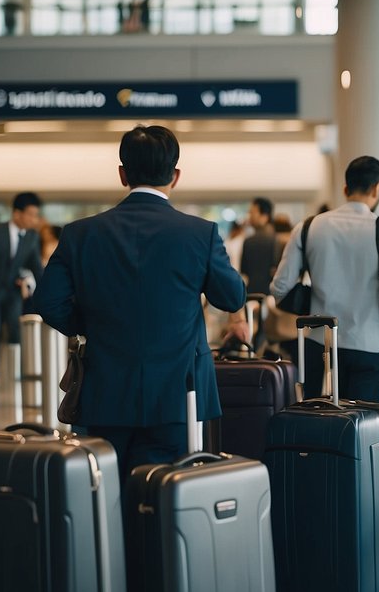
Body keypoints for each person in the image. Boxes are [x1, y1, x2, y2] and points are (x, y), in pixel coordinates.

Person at [34, 126, 249, 481]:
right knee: (172, 493)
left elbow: (48, 300)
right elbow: (231, 297)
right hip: (181, 394)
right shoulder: (200, 233)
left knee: (107, 495)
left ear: (122, 174)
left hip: (105, 391)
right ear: (175, 176)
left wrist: (91, 324)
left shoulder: (80, 233)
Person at [271, 156, 379, 403]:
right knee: (362, 427)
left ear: (345, 189)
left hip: (319, 345)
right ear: (377, 188)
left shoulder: (308, 227)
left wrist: (316, 302)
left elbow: (280, 288)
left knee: (318, 422)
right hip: (370, 346)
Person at [0, 191, 45, 389]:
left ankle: (17, 371)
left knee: (15, 327)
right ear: (17, 213)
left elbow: (36, 266)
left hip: (13, 291)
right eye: (31, 214)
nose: (34, 219)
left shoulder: (31, 237)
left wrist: (47, 288)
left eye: (36, 215)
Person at [241, 196, 281, 296]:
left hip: (253, 294)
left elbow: (244, 271)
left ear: (264, 215)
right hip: (273, 295)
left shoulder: (250, 241)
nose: (249, 215)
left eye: (252, 212)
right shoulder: (278, 239)